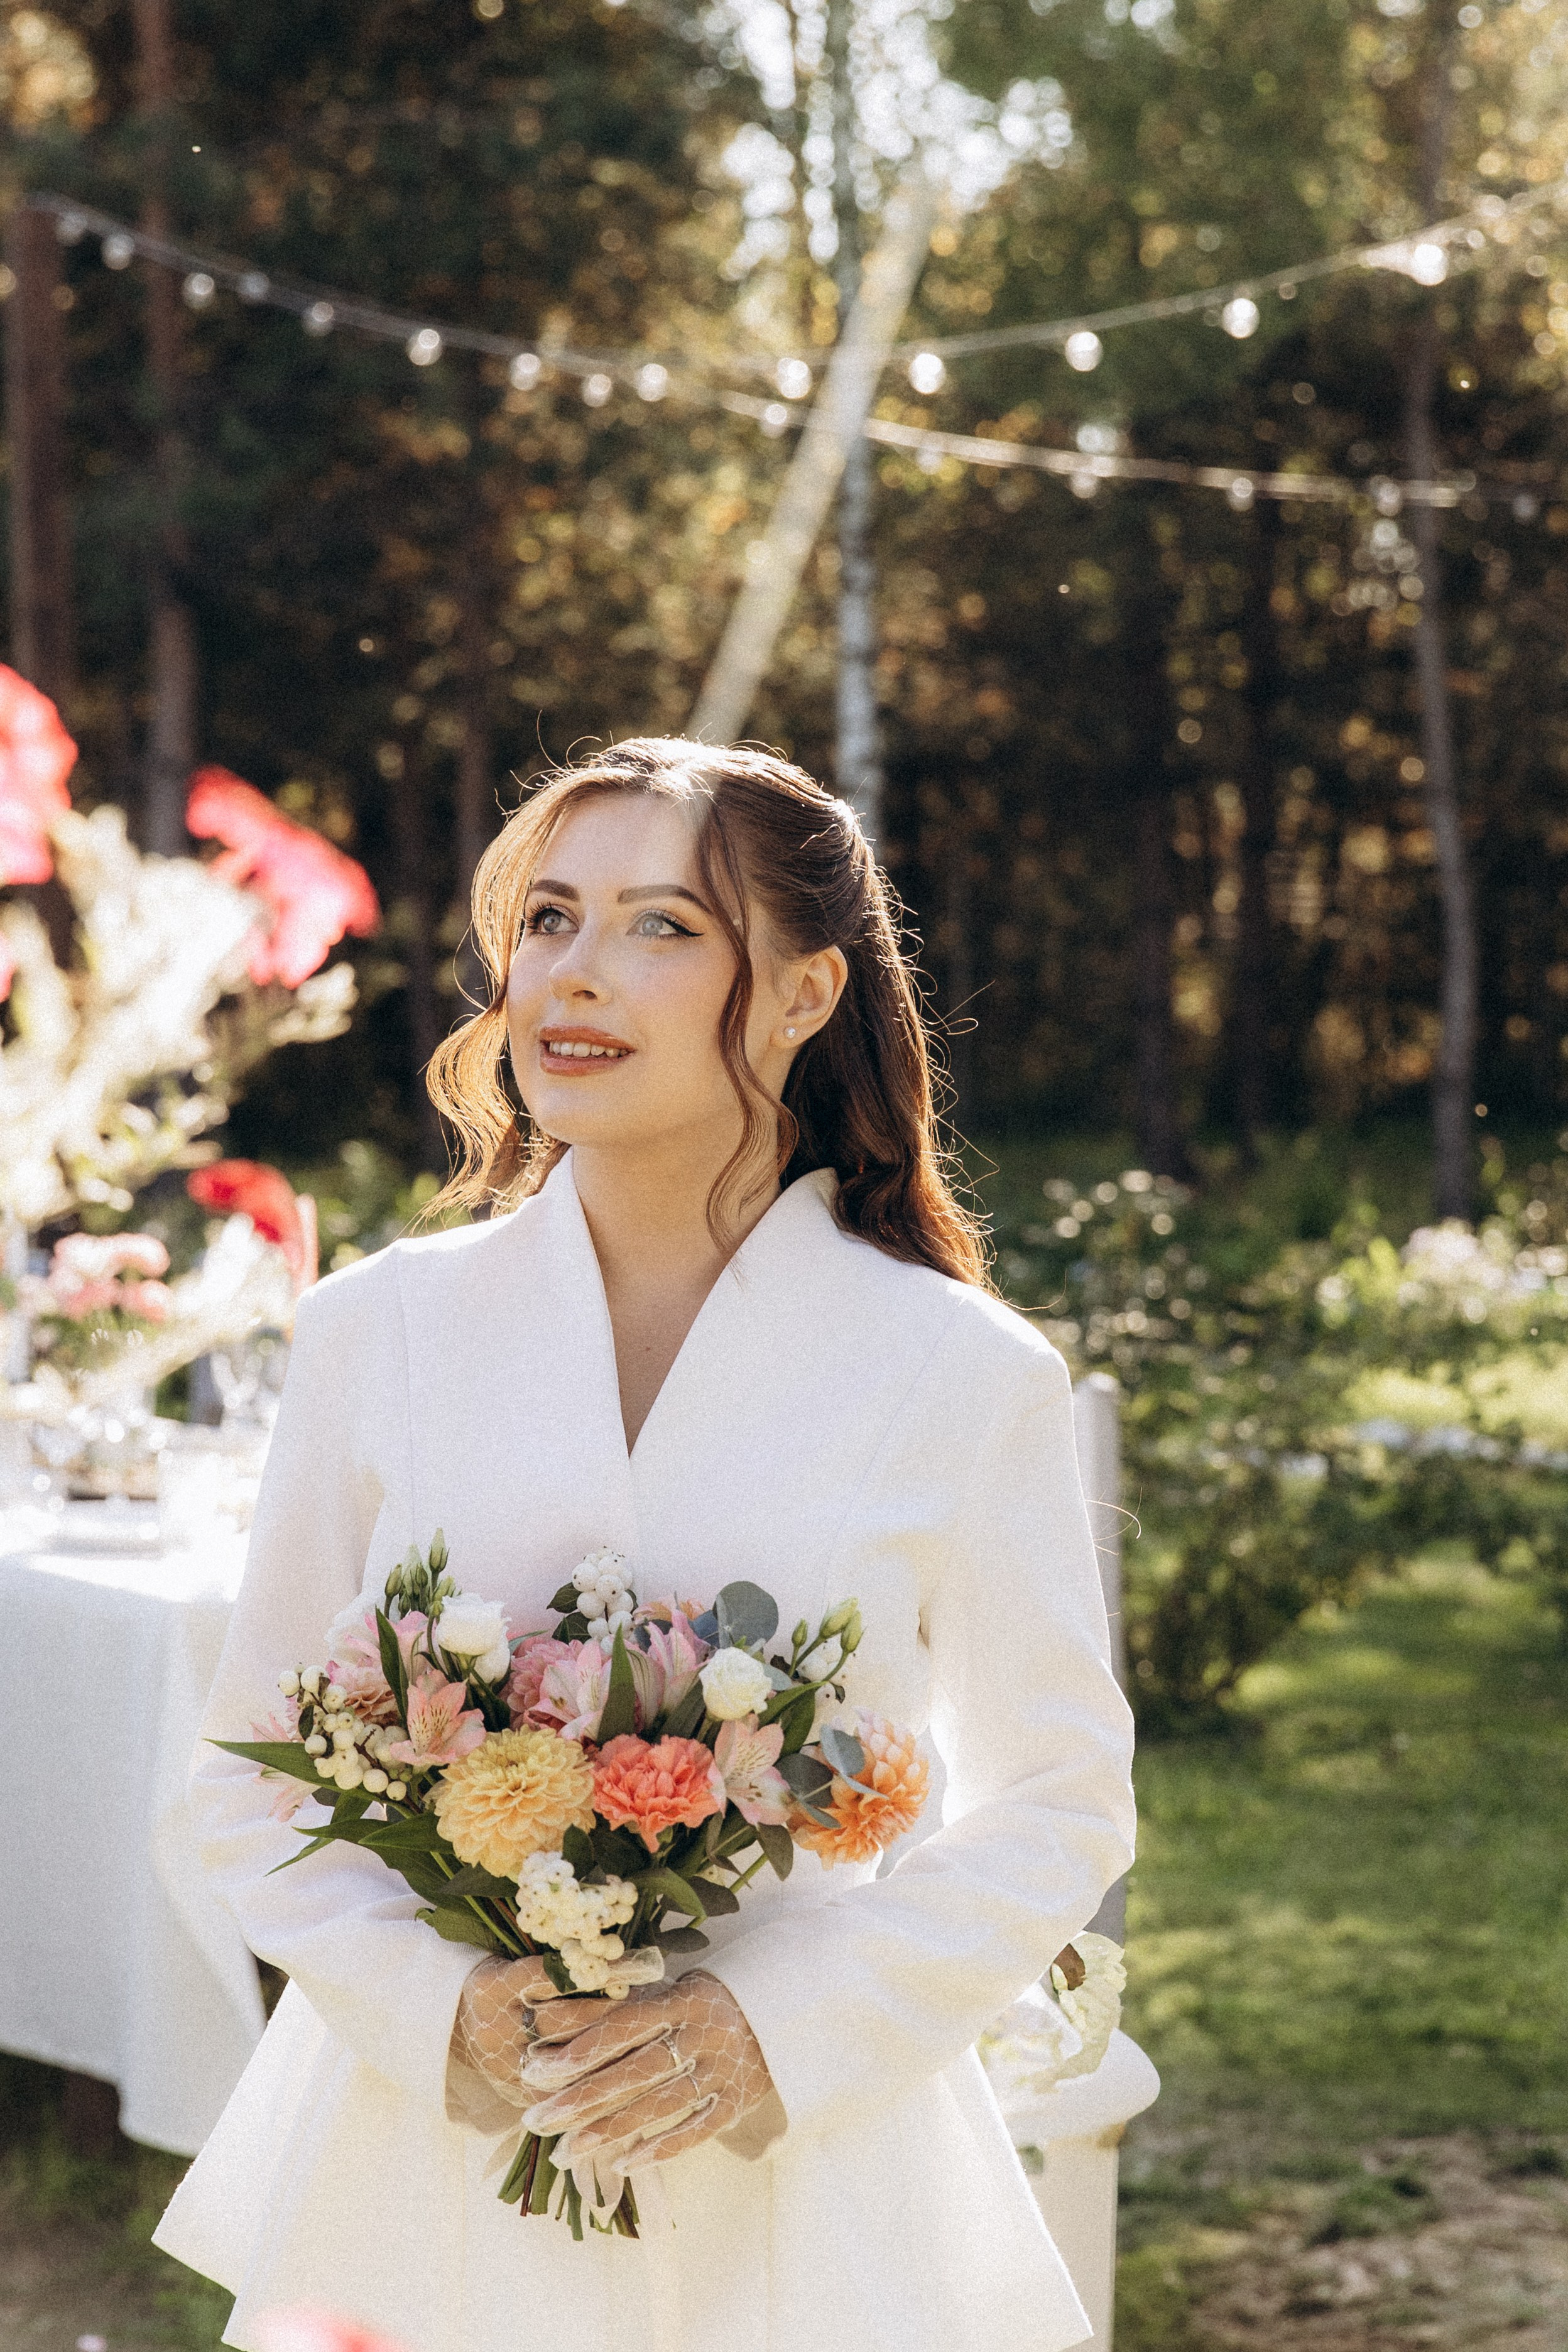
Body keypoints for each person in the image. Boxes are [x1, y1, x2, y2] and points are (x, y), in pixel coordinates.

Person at [155, 739, 1136, 2352]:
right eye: (547, 919)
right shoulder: (374, 1334)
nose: (573, 976)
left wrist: (766, 2029)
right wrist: (438, 2008)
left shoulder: (963, 1377)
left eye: (660, 927)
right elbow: (246, 1774)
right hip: (427, 2168)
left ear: (806, 990)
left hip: (807, 2178)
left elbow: (1060, 1804)